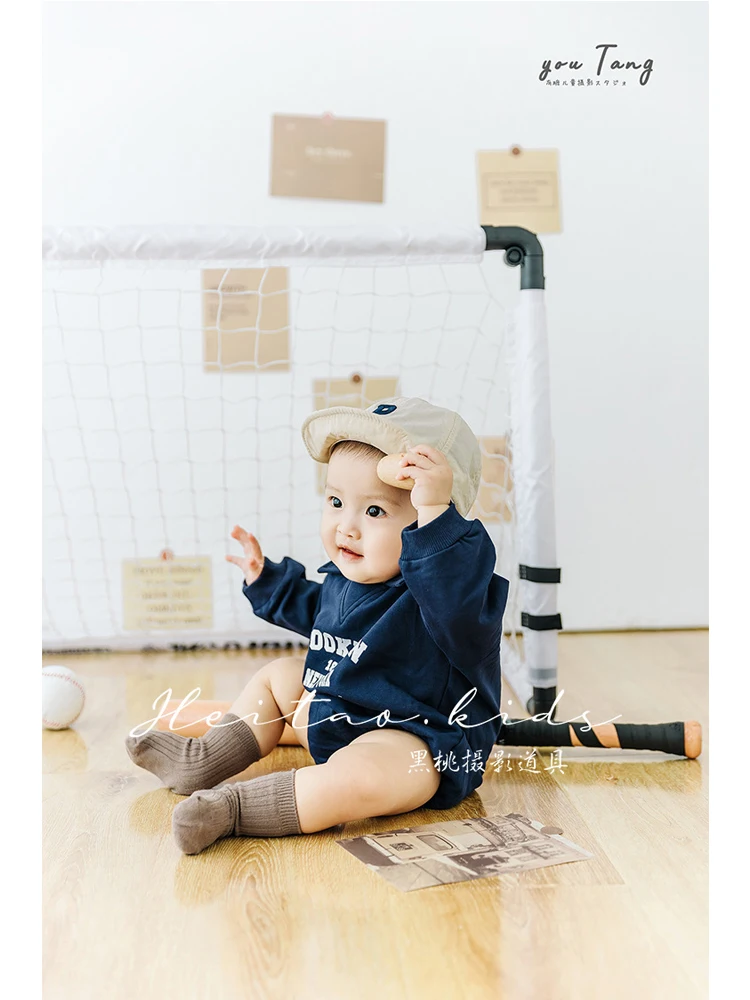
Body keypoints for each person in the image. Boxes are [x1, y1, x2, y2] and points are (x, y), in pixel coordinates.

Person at [125, 396, 509, 854]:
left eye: (374, 512)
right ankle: (203, 758)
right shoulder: (349, 575)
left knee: (359, 777)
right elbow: (318, 614)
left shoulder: (453, 588)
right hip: (336, 718)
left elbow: (453, 604)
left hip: (418, 743)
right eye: (335, 501)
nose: (346, 527)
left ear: (432, 521)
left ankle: (235, 809)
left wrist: (436, 520)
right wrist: (267, 581)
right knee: (280, 676)